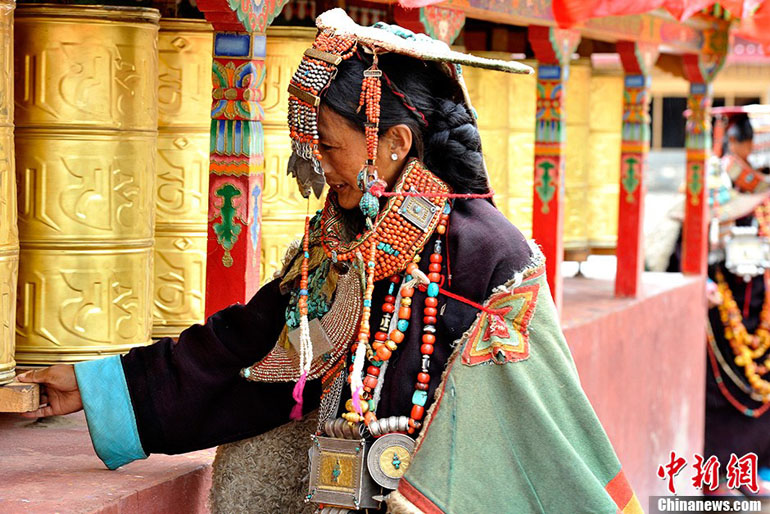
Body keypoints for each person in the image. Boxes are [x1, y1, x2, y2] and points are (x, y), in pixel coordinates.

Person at [19, 10, 640, 513]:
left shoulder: (492, 263)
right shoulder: (338, 244)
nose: (315, 165)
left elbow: (523, 443)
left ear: (395, 143)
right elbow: (250, 348)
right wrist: (101, 385)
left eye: (330, 146)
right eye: (310, 145)